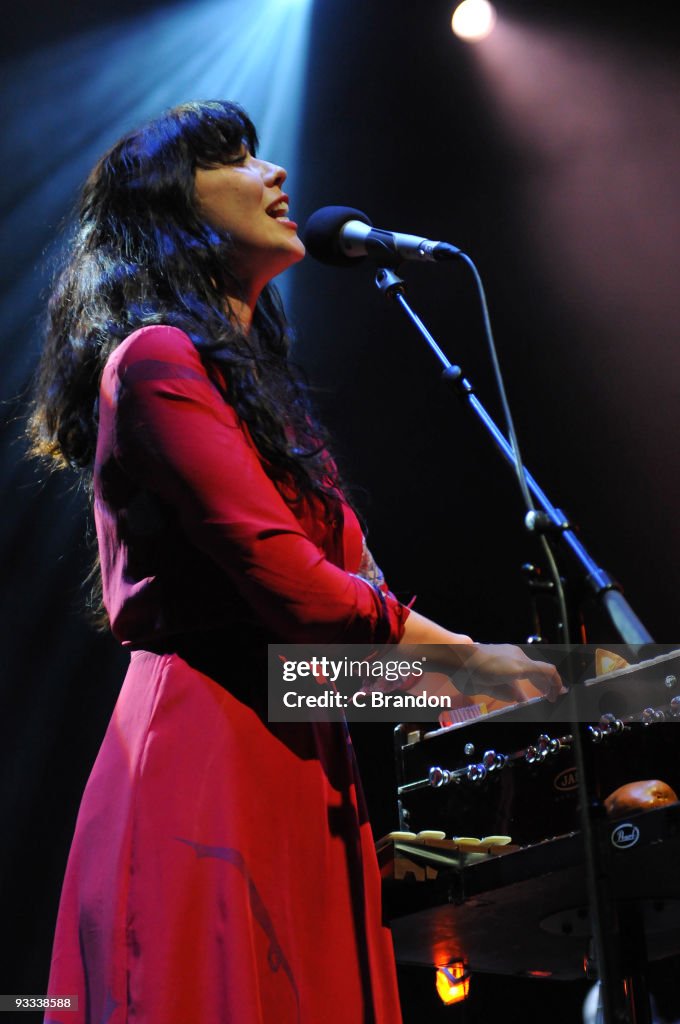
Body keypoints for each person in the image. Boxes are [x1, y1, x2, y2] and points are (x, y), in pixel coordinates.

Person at [29, 100, 563, 1024]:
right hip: (206, 758)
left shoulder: (252, 393)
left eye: (261, 152)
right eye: (233, 159)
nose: (275, 174)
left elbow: (318, 655)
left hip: (301, 754)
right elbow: (287, 584)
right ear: (170, 211)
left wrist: (496, 696)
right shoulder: (153, 359)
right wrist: (468, 666)